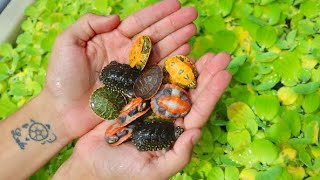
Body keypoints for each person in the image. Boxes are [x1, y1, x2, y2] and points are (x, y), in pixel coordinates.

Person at [0, 0, 231, 179]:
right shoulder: (133, 109)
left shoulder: (140, 105)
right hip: (138, 99)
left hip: (143, 100)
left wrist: (56, 108)